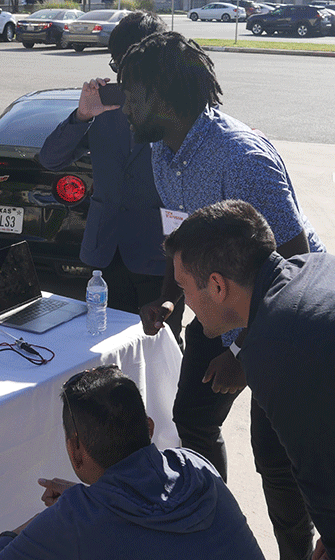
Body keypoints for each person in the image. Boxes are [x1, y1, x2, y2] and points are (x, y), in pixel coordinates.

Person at [118, 31, 324, 560]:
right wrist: (170, 300)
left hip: (285, 328)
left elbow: (293, 265)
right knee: (191, 421)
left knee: (277, 459)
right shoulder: (164, 155)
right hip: (219, 311)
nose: (124, 104)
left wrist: (247, 358)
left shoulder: (241, 157)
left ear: (162, 96)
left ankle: (296, 552)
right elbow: (180, 240)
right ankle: (221, 530)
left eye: (131, 91)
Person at [164, 199, 335, 560]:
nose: (185, 302)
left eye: (185, 288)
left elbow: (319, 472)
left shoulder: (275, 344)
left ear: (217, 285)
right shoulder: (310, 266)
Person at [0, 365, 266, 560]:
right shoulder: (196, 465)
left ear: (75, 451)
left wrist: (47, 519)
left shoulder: (75, 519)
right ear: (149, 428)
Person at [39, 11, 183, 344]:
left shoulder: (179, 109)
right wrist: (81, 115)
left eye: (133, 68)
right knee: (106, 350)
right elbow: (50, 159)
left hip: (159, 257)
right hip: (105, 254)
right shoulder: (103, 106)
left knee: (162, 351)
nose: (124, 77)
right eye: (118, 66)